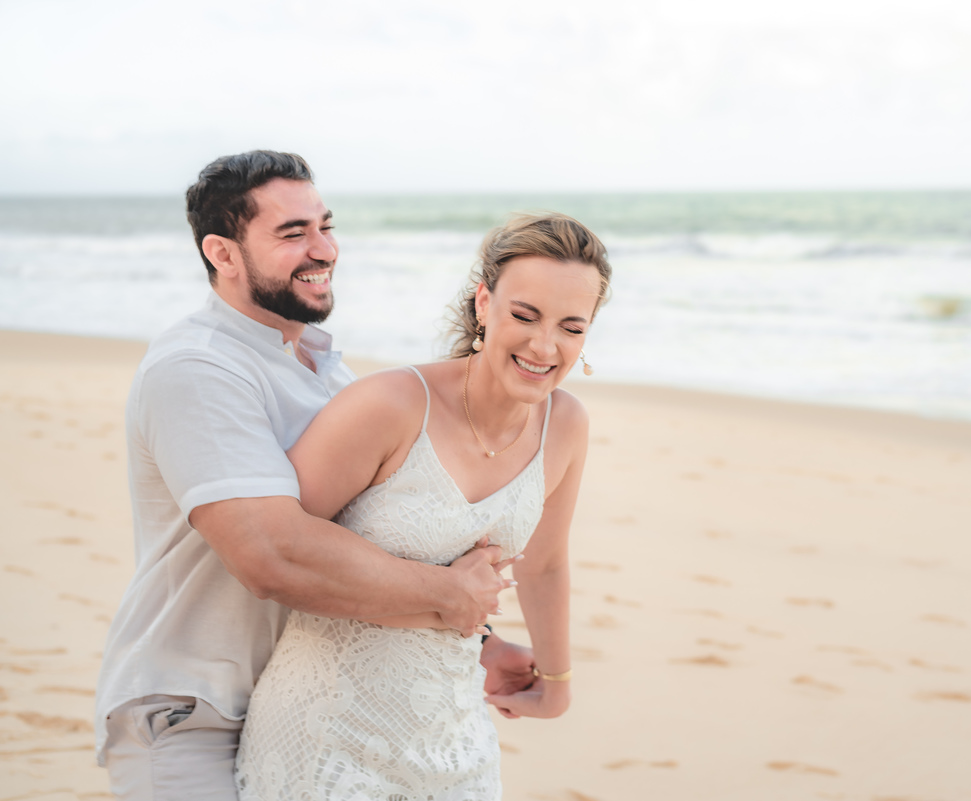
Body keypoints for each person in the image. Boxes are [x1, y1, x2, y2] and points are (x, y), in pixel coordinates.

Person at [94, 150, 535, 801]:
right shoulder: (197, 368)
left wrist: (483, 638)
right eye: (293, 233)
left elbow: (372, 538)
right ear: (222, 253)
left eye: (325, 226)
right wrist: (449, 596)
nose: (324, 249)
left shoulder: (330, 373)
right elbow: (271, 554)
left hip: (305, 707)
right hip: (194, 711)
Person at [233, 212, 610, 800]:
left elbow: (545, 562)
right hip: (326, 734)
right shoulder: (390, 404)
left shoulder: (565, 424)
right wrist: (448, 605)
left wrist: (556, 681)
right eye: (524, 315)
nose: (544, 346)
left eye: (571, 327)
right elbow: (278, 554)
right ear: (484, 303)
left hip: (456, 741)